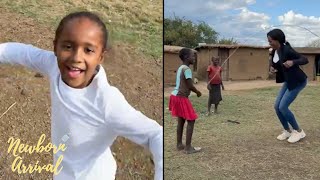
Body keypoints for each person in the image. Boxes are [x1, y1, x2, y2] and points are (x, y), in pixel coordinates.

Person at [0, 11, 163, 180]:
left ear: (101, 56)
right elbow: (22, 53)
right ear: (55, 47)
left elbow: (155, 135)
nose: (76, 57)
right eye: (68, 47)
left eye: (88, 50)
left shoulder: (107, 102)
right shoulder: (53, 66)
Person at [267, 28, 308, 143]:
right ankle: (287, 130)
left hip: (298, 81)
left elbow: (304, 59)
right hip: (288, 81)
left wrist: (293, 62)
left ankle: (299, 131)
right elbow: (279, 66)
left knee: (283, 107)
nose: (269, 43)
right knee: (277, 106)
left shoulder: (287, 49)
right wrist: (273, 69)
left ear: (277, 40)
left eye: (270, 41)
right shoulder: (275, 52)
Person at [168, 48, 202, 154]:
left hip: (174, 96)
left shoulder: (180, 68)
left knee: (181, 120)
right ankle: (188, 148)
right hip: (181, 97)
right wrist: (197, 92)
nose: (194, 58)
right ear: (187, 57)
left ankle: (179, 144)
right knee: (191, 120)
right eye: (192, 56)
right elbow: (190, 85)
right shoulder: (187, 69)